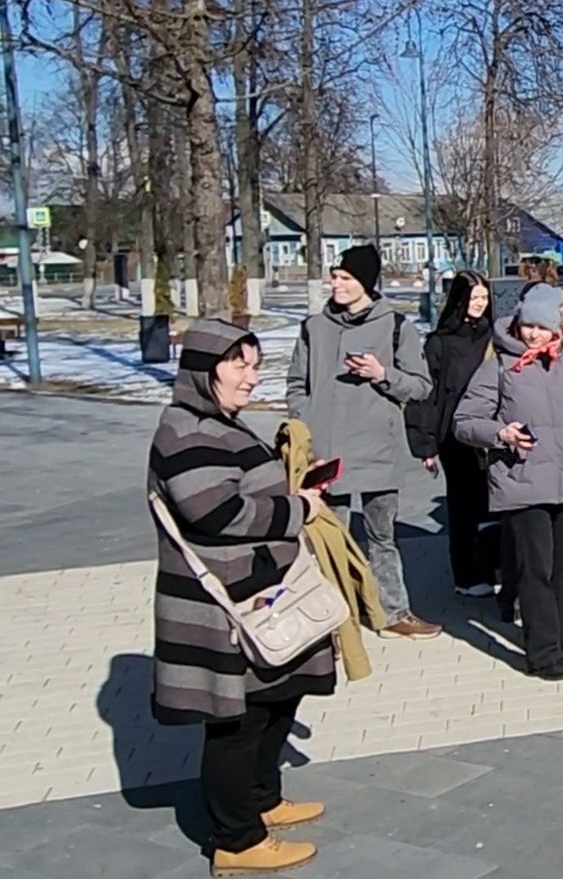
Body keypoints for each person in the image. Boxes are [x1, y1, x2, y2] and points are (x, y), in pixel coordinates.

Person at [151, 321, 334, 875]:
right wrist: (297, 510)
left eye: (255, 366)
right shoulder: (185, 430)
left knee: (278, 695)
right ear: (205, 371)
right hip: (223, 606)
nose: (252, 378)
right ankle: (236, 838)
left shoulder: (219, 422)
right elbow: (216, 512)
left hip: (262, 593)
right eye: (241, 366)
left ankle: (262, 798)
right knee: (237, 721)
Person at [287, 244, 441, 640]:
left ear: (366, 284)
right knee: (325, 541)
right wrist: (305, 423)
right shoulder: (313, 328)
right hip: (326, 454)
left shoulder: (395, 326)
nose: (336, 284)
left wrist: (381, 373)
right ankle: (329, 623)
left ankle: (393, 614)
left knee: (382, 538)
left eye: (345, 278)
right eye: (335, 277)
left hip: (378, 452)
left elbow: (421, 386)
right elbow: (295, 385)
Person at [454, 284, 563, 680]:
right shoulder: (499, 366)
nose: (533, 334)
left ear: (556, 327)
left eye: (541, 327)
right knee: (535, 571)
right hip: (522, 484)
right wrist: (500, 434)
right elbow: (465, 423)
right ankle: (542, 652)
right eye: (527, 326)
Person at [405, 270, 499, 597]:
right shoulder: (439, 343)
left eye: (484, 298)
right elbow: (426, 397)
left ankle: (494, 566)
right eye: (474, 298)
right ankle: (467, 575)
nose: (479, 305)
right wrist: (425, 445)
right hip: (454, 438)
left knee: (494, 506)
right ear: (459, 300)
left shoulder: (496, 336)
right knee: (464, 507)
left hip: (491, 433)